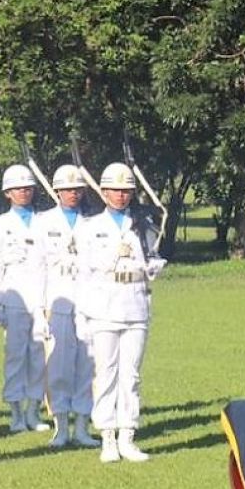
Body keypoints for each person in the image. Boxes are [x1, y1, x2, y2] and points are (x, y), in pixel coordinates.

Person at [74, 163, 166, 464]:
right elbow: (86, 272)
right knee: (106, 373)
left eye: (126, 190)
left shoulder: (143, 223)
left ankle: (128, 434)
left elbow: (151, 256)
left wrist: (153, 266)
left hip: (135, 303)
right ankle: (107, 436)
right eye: (115, 190)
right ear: (103, 192)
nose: (121, 195)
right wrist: (83, 314)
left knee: (131, 374)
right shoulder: (89, 227)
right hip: (103, 306)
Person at [33, 165, 97, 448]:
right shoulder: (43, 222)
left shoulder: (92, 223)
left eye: (77, 189)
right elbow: (37, 268)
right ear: (57, 191)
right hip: (56, 301)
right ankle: (60, 426)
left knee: (87, 365)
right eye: (68, 189)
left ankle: (83, 426)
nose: (73, 194)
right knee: (57, 367)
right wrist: (37, 309)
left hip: (88, 303)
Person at [0, 165, 50, 433]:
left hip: (42, 296)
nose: (23, 192)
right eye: (17, 188)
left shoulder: (46, 222)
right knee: (14, 356)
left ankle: (33, 411)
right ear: (7, 193)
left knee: (38, 356)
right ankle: (15, 412)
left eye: (27, 188)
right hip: (12, 297)